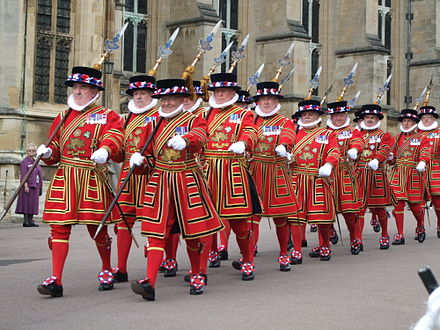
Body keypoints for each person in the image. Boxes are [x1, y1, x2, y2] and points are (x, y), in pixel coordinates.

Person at [130, 78, 224, 300]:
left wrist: (187, 140)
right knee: (155, 233)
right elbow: (149, 158)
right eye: (163, 98)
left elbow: (202, 136)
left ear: (183, 99)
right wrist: (139, 161)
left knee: (193, 232)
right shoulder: (152, 124)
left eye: (171, 98)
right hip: (160, 182)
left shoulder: (194, 120)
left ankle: (197, 273)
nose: (167, 103)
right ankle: (149, 282)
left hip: (187, 179)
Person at [36, 66, 124, 297]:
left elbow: (114, 137)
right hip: (65, 176)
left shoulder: (107, 115)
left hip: (91, 176)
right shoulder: (63, 116)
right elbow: (56, 149)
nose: (77, 91)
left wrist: (106, 149)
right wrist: (47, 152)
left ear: (94, 90)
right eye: (75, 87)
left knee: (98, 228)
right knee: (58, 229)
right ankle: (56, 278)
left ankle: (106, 268)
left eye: (82, 87)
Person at [203, 72, 261, 280]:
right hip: (208, 171)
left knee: (239, 222)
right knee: (207, 220)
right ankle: (203, 263)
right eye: (217, 91)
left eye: (224, 91)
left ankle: (247, 260)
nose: (219, 94)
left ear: (233, 93)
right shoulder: (205, 114)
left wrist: (243, 142)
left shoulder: (243, 113)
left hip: (232, 170)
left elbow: (251, 132)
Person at [112, 75, 158, 283]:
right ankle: (121, 267)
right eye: (136, 94)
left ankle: (160, 264)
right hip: (127, 174)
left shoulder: (159, 116)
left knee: (154, 220)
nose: (139, 97)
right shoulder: (125, 119)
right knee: (124, 219)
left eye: (143, 93)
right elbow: (120, 151)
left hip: (151, 172)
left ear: (151, 95)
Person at [248, 81, 297, 271]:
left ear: (276, 100)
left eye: (270, 98)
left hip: (276, 170)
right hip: (255, 170)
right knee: (252, 215)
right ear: (257, 101)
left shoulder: (284, 121)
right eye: (263, 99)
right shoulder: (251, 120)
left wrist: (283, 145)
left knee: (281, 216)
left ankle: (284, 253)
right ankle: (249, 256)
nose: (266, 102)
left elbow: (289, 134)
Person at [288, 99, 340, 263]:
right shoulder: (294, 134)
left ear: (318, 115)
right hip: (297, 178)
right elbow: (285, 148)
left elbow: (334, 151)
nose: (307, 117)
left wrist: (329, 164)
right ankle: (296, 250)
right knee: (296, 217)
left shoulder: (328, 134)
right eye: (304, 114)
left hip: (319, 178)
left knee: (322, 216)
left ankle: (325, 245)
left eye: (310, 114)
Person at [325, 101, 364, 254]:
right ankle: (328, 236)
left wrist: (355, 148)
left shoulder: (352, 131)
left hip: (346, 174)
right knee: (325, 209)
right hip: (329, 174)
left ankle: (355, 238)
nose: (338, 118)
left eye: (341, 115)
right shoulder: (325, 132)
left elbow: (358, 141)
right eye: (336, 115)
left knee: (349, 210)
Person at [356, 104, 394, 249]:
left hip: (375, 174)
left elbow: (385, 149)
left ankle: (384, 234)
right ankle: (358, 238)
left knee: (378, 208)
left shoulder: (384, 135)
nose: (370, 120)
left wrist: (377, 159)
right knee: (359, 208)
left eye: (372, 117)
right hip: (359, 174)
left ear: (377, 119)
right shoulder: (357, 135)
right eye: (367, 117)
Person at [389, 109, 429, 245]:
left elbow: (425, 151)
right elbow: (392, 158)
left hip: (414, 173)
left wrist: (423, 161)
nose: (406, 123)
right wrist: (389, 157)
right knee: (398, 204)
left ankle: (420, 225)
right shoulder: (396, 138)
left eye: (409, 121)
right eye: (404, 121)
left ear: (414, 122)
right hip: (398, 173)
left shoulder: (421, 138)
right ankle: (400, 234)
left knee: (415, 206)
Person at [417, 105, 440, 239]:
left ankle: (439, 223)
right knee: (418, 200)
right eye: (424, 117)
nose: (426, 120)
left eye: (429, 117)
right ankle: (420, 226)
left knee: (437, 199)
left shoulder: (439, 133)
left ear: (434, 119)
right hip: (419, 169)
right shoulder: (415, 134)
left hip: (435, 168)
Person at [15, 143, 43, 227]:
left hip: (35, 185)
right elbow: (23, 174)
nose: (31, 152)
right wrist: (25, 185)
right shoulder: (25, 162)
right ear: (27, 151)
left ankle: (31, 221)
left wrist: (40, 187)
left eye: (33, 150)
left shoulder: (36, 161)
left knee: (32, 204)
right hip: (28, 186)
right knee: (27, 203)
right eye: (29, 150)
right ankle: (26, 221)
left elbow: (39, 173)